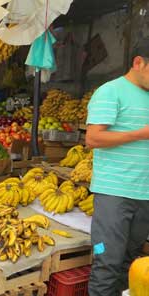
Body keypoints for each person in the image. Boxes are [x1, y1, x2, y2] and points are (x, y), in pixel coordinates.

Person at [86, 40, 149, 296]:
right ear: (138, 63)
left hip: (144, 194)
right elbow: (92, 138)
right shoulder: (110, 91)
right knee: (107, 264)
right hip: (115, 194)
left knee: (131, 263)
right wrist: (140, 134)